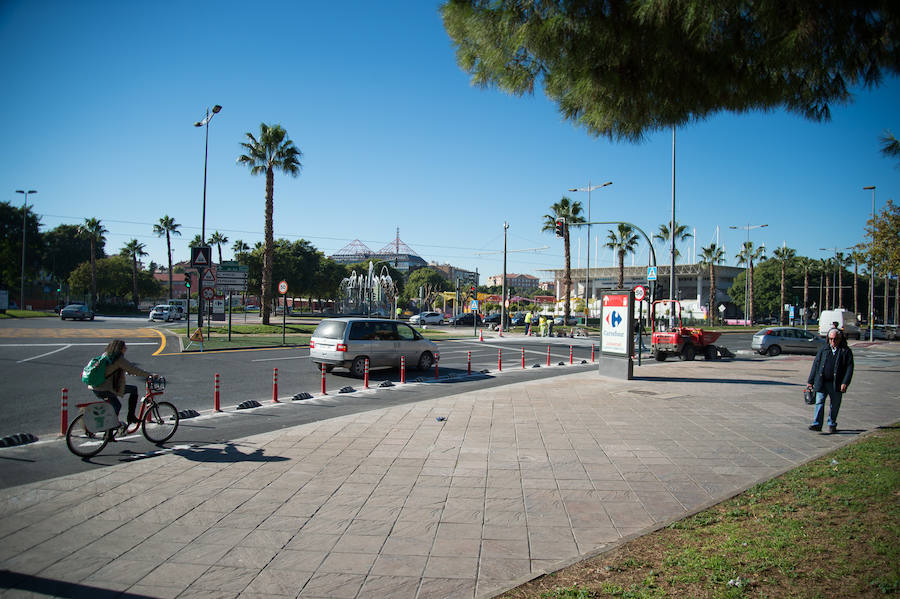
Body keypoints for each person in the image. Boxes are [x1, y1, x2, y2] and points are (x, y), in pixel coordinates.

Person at [89, 339, 156, 428]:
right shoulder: (118, 359)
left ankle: (112, 429)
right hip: (105, 388)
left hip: (96, 386)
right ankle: (123, 420)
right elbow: (133, 369)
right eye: (124, 347)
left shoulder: (107, 355)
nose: (126, 348)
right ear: (120, 348)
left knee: (130, 391)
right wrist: (149, 375)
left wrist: (127, 371)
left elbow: (116, 369)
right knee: (119, 404)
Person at [806, 328, 854, 434]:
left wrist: (845, 382)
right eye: (831, 339)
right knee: (819, 402)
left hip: (836, 383)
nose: (833, 341)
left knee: (835, 404)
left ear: (840, 339)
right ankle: (817, 424)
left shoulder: (845, 351)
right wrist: (810, 381)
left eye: (835, 339)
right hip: (822, 382)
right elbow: (816, 365)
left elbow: (849, 368)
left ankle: (832, 423)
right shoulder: (824, 349)